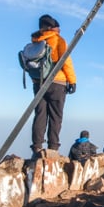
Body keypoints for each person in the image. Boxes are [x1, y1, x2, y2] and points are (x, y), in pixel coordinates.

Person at [29, 14, 77, 157]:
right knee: (56, 116)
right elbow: (66, 61)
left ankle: (37, 147)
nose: (59, 30)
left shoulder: (36, 41)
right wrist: (72, 81)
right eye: (58, 28)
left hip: (38, 82)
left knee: (40, 115)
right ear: (52, 28)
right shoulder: (58, 40)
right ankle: (53, 148)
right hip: (57, 82)